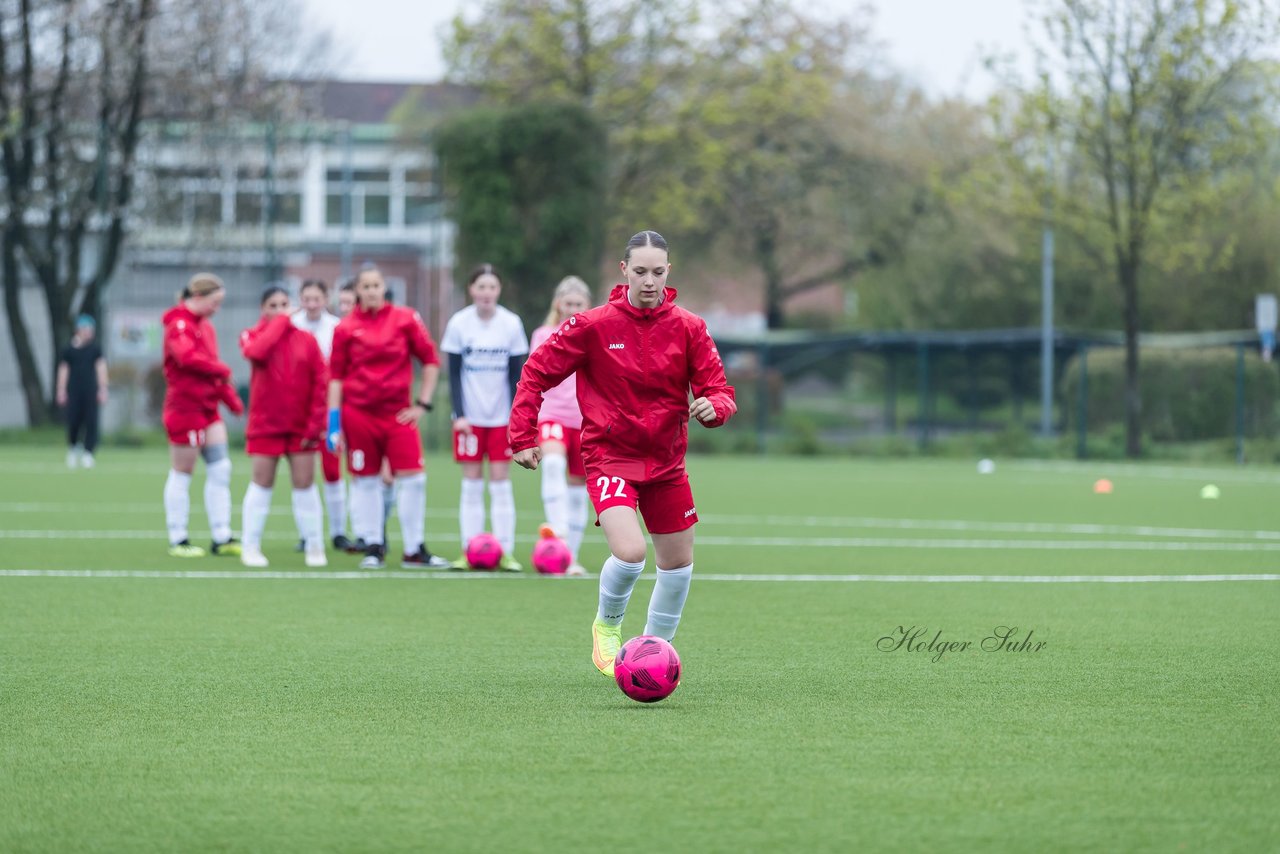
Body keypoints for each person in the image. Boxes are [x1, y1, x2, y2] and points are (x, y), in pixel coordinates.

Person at [510, 231, 737, 677]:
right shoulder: (592, 324)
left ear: (668, 271)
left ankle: (652, 652)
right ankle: (608, 625)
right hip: (610, 455)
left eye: (657, 272)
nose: (648, 281)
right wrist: (522, 435)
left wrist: (716, 408)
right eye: (640, 272)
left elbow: (718, 389)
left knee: (678, 565)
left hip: (667, 461)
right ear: (624, 271)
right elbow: (536, 372)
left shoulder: (690, 327)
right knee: (631, 552)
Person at [327, 264, 451, 570]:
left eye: (376, 285)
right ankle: (373, 546)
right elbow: (336, 377)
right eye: (365, 286)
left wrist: (422, 404)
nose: (371, 291)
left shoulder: (405, 319)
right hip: (358, 415)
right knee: (365, 481)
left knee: (415, 480)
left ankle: (414, 549)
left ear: (384, 288)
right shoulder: (344, 328)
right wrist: (333, 423)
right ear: (357, 291)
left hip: (398, 416)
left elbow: (431, 360)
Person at [440, 264, 530, 571]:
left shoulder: (511, 323)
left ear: (499, 290)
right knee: (472, 483)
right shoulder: (459, 323)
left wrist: (515, 417)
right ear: (471, 290)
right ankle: (470, 550)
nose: (486, 293)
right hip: (470, 420)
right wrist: (459, 415)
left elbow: (518, 375)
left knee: (501, 484)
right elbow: (452, 374)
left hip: (502, 419)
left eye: (492, 287)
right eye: (481, 287)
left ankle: (505, 551)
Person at [239, 285, 329, 568]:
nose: (280, 310)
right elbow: (257, 353)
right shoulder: (252, 336)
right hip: (266, 425)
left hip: (301, 428)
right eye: (273, 306)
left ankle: (314, 545)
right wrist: (278, 323)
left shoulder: (307, 339)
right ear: (263, 310)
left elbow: (320, 382)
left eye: (283, 305)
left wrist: (315, 425)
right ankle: (250, 546)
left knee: (305, 483)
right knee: (261, 482)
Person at [161, 273, 245, 558]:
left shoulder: (205, 327)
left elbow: (211, 368)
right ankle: (178, 537)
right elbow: (188, 359)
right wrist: (223, 371)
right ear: (197, 297)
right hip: (185, 408)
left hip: (208, 408)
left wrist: (230, 400)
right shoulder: (178, 324)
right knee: (183, 472)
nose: (216, 309)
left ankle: (222, 535)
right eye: (214, 302)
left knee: (221, 469)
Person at [527, 276, 594, 575]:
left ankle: (570, 558)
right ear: (558, 304)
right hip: (551, 414)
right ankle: (558, 530)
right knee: (553, 465)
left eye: (578, 304)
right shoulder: (543, 334)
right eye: (568, 304)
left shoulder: (594, 335)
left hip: (585, 419)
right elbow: (533, 378)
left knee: (579, 488)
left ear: (587, 307)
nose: (572, 309)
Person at [291, 278, 356, 552]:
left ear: (326, 299)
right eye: (307, 299)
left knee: (332, 470)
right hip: (299, 412)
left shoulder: (336, 328)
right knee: (302, 475)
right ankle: (307, 533)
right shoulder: (292, 326)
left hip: (328, 411)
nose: (312, 304)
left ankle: (339, 531)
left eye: (317, 299)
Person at [56, 314, 108, 469]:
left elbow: (101, 369)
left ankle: (88, 453)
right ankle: (73, 448)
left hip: (90, 390)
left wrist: (103, 388)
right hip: (73, 391)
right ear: (78, 330)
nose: (89, 333)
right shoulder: (68, 350)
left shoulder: (95, 349)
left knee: (91, 422)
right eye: (86, 329)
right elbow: (63, 370)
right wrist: (61, 390)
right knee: (73, 421)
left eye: (91, 329)